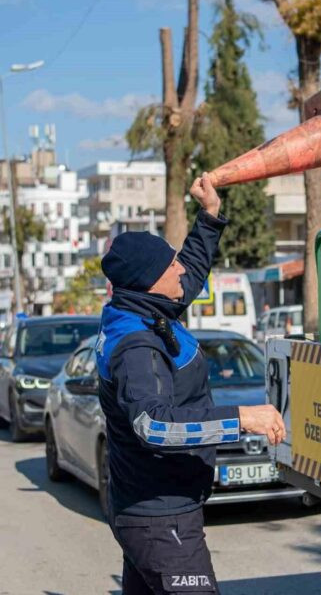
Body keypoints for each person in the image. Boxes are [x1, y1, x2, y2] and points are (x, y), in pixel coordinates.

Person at [96, 172, 286, 595]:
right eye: (169, 264)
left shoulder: (146, 307)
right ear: (147, 281)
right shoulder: (137, 347)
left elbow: (190, 274)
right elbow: (154, 425)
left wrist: (210, 216)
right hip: (160, 521)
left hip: (153, 513)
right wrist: (241, 419)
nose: (179, 267)